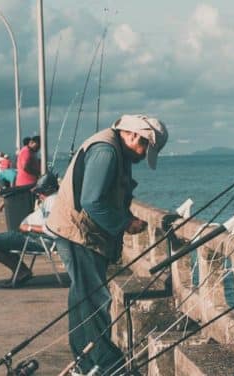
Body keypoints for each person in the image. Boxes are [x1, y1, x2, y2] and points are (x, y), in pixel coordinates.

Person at [45, 114, 167, 373]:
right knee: (94, 302)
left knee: (82, 301)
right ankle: (109, 366)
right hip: (78, 235)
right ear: (134, 134)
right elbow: (92, 202)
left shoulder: (117, 150)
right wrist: (125, 223)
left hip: (78, 234)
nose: (143, 154)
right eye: (144, 146)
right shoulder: (107, 152)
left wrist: (123, 216)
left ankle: (86, 364)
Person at [0, 173, 59, 287]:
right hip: (31, 236)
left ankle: (21, 271)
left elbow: (52, 228)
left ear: (47, 191)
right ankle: (21, 271)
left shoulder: (53, 201)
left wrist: (29, 227)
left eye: (40, 192)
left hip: (38, 240)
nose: (38, 195)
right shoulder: (51, 199)